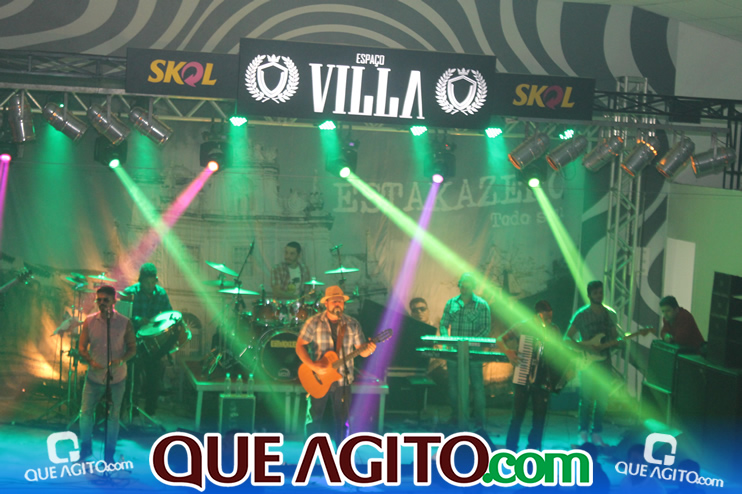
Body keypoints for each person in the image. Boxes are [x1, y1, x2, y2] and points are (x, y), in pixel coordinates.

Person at [295, 285, 376, 445]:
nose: (338, 304)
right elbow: (299, 346)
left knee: (342, 420)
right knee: (314, 419)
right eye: (334, 301)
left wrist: (370, 349)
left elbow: (362, 351)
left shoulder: (352, 324)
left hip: (343, 380)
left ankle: (342, 452)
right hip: (318, 378)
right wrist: (313, 366)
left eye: (340, 301)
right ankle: (310, 451)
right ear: (326, 303)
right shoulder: (314, 322)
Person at [78, 285, 136, 463]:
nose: (101, 303)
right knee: (85, 413)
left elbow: (133, 348)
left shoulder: (125, 322)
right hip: (94, 376)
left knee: (113, 416)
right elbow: (81, 347)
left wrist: (122, 359)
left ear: (114, 301)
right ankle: (85, 449)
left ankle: (109, 455)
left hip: (117, 377)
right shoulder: (89, 321)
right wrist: (90, 360)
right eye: (99, 300)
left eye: (105, 300)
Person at [500, 300, 560, 451]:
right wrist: (508, 352)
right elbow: (500, 339)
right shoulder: (523, 326)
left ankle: (533, 449)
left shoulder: (553, 330)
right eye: (546, 317)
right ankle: (510, 449)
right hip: (523, 377)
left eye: (550, 317)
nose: (549, 320)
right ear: (538, 315)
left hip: (543, 380)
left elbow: (559, 352)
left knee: (539, 418)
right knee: (517, 416)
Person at [565, 280, 619, 446]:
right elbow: (567, 338)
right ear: (589, 295)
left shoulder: (610, 314)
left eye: (601, 292)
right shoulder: (581, 315)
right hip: (588, 363)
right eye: (595, 293)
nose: (599, 295)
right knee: (587, 398)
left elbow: (615, 338)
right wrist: (585, 347)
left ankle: (597, 433)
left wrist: (614, 342)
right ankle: (583, 432)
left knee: (602, 399)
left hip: (605, 362)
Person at [440, 273, 491, 429]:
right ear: (459, 285)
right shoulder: (451, 303)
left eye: (467, 285)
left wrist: (469, 344)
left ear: (473, 286)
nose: (464, 288)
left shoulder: (482, 305)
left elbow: (485, 329)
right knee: (453, 386)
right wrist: (446, 342)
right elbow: (443, 324)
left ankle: (479, 420)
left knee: (477, 386)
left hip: (474, 352)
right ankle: (456, 416)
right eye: (462, 285)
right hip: (454, 352)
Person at [121, 263, 172, 416]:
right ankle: (132, 408)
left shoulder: (161, 293)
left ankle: (150, 411)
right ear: (141, 280)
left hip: (153, 343)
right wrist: (137, 320)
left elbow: (169, 314)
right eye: (147, 282)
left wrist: (161, 326)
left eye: (153, 282)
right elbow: (120, 317)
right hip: (133, 340)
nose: (150, 286)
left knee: (154, 377)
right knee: (133, 377)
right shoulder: (130, 293)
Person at [410, 297, 448, 397]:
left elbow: (445, 351)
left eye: (422, 309)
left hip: (437, 369)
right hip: (416, 370)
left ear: (428, 311)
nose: (419, 312)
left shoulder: (439, 329)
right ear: (412, 314)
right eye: (415, 310)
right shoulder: (409, 331)